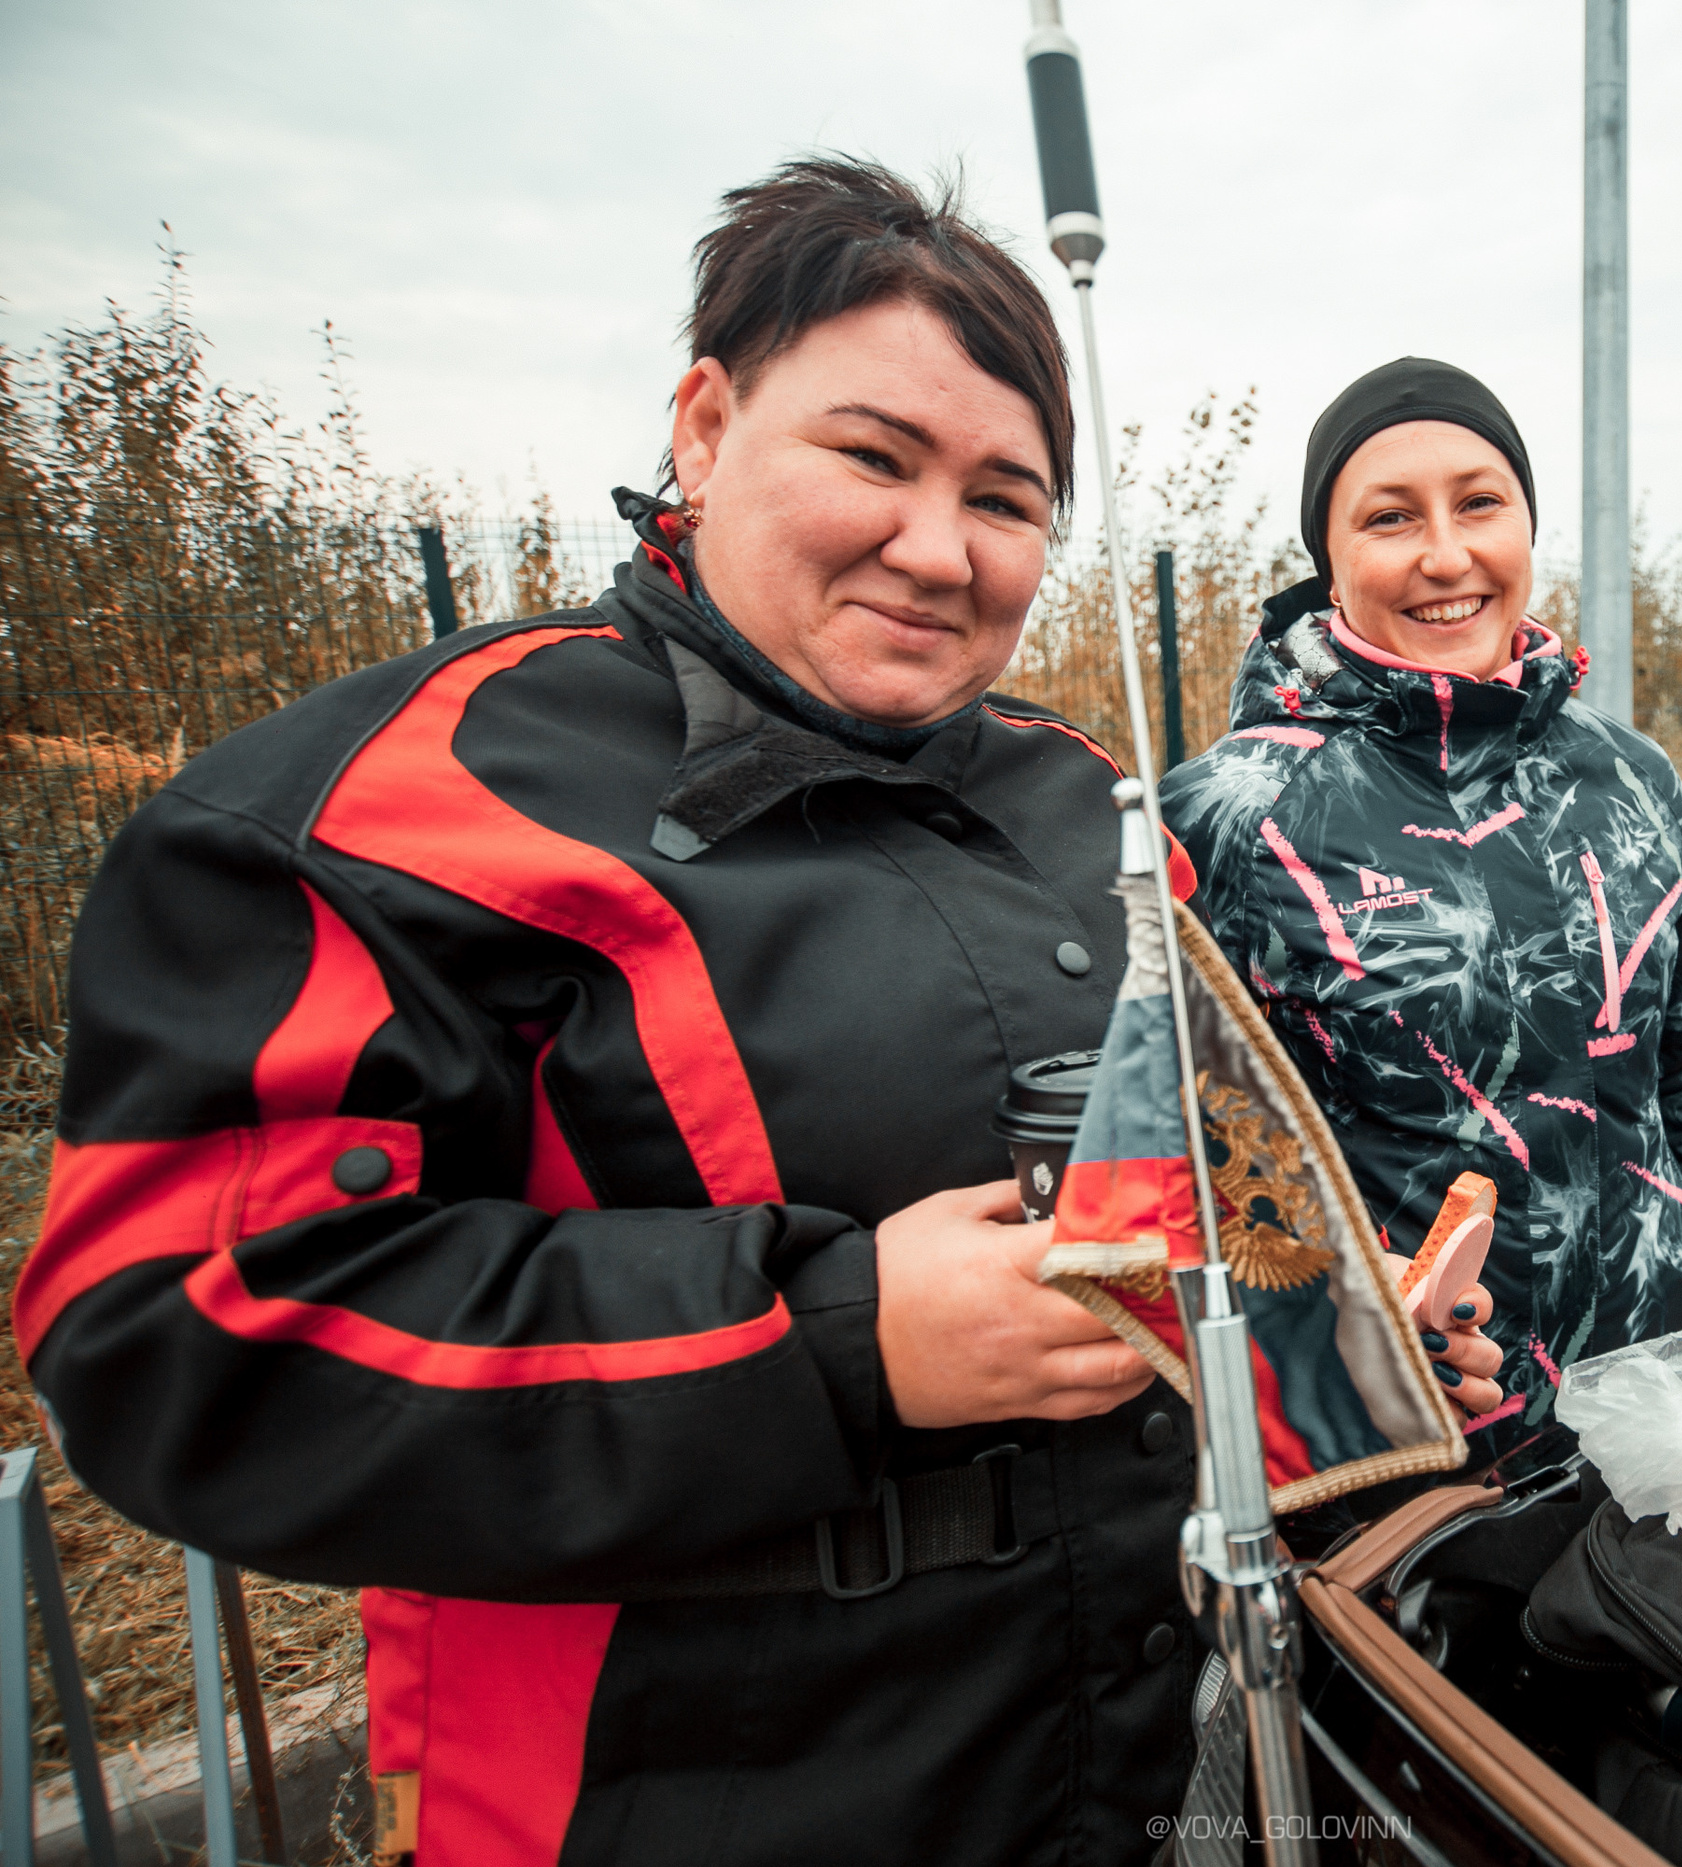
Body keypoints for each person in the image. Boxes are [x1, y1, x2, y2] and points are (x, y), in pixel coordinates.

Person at [13, 161, 1490, 1867]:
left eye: (1006, 498)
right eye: (874, 457)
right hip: (678, 1801)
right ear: (706, 428)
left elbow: (1171, 1203)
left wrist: (1340, 1335)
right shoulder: (395, 808)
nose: (937, 547)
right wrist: (841, 1340)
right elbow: (174, 1332)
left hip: (1129, 1771)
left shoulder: (1088, 801)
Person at [1159, 358, 1682, 1434]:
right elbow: (1193, 1177)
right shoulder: (1232, 814)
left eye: (1480, 503)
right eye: (1390, 517)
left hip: (1674, 1406)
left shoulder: (1632, 775)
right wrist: (1354, 1341)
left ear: (1526, 526)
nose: (1446, 555)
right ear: (1330, 563)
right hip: (1423, 1447)